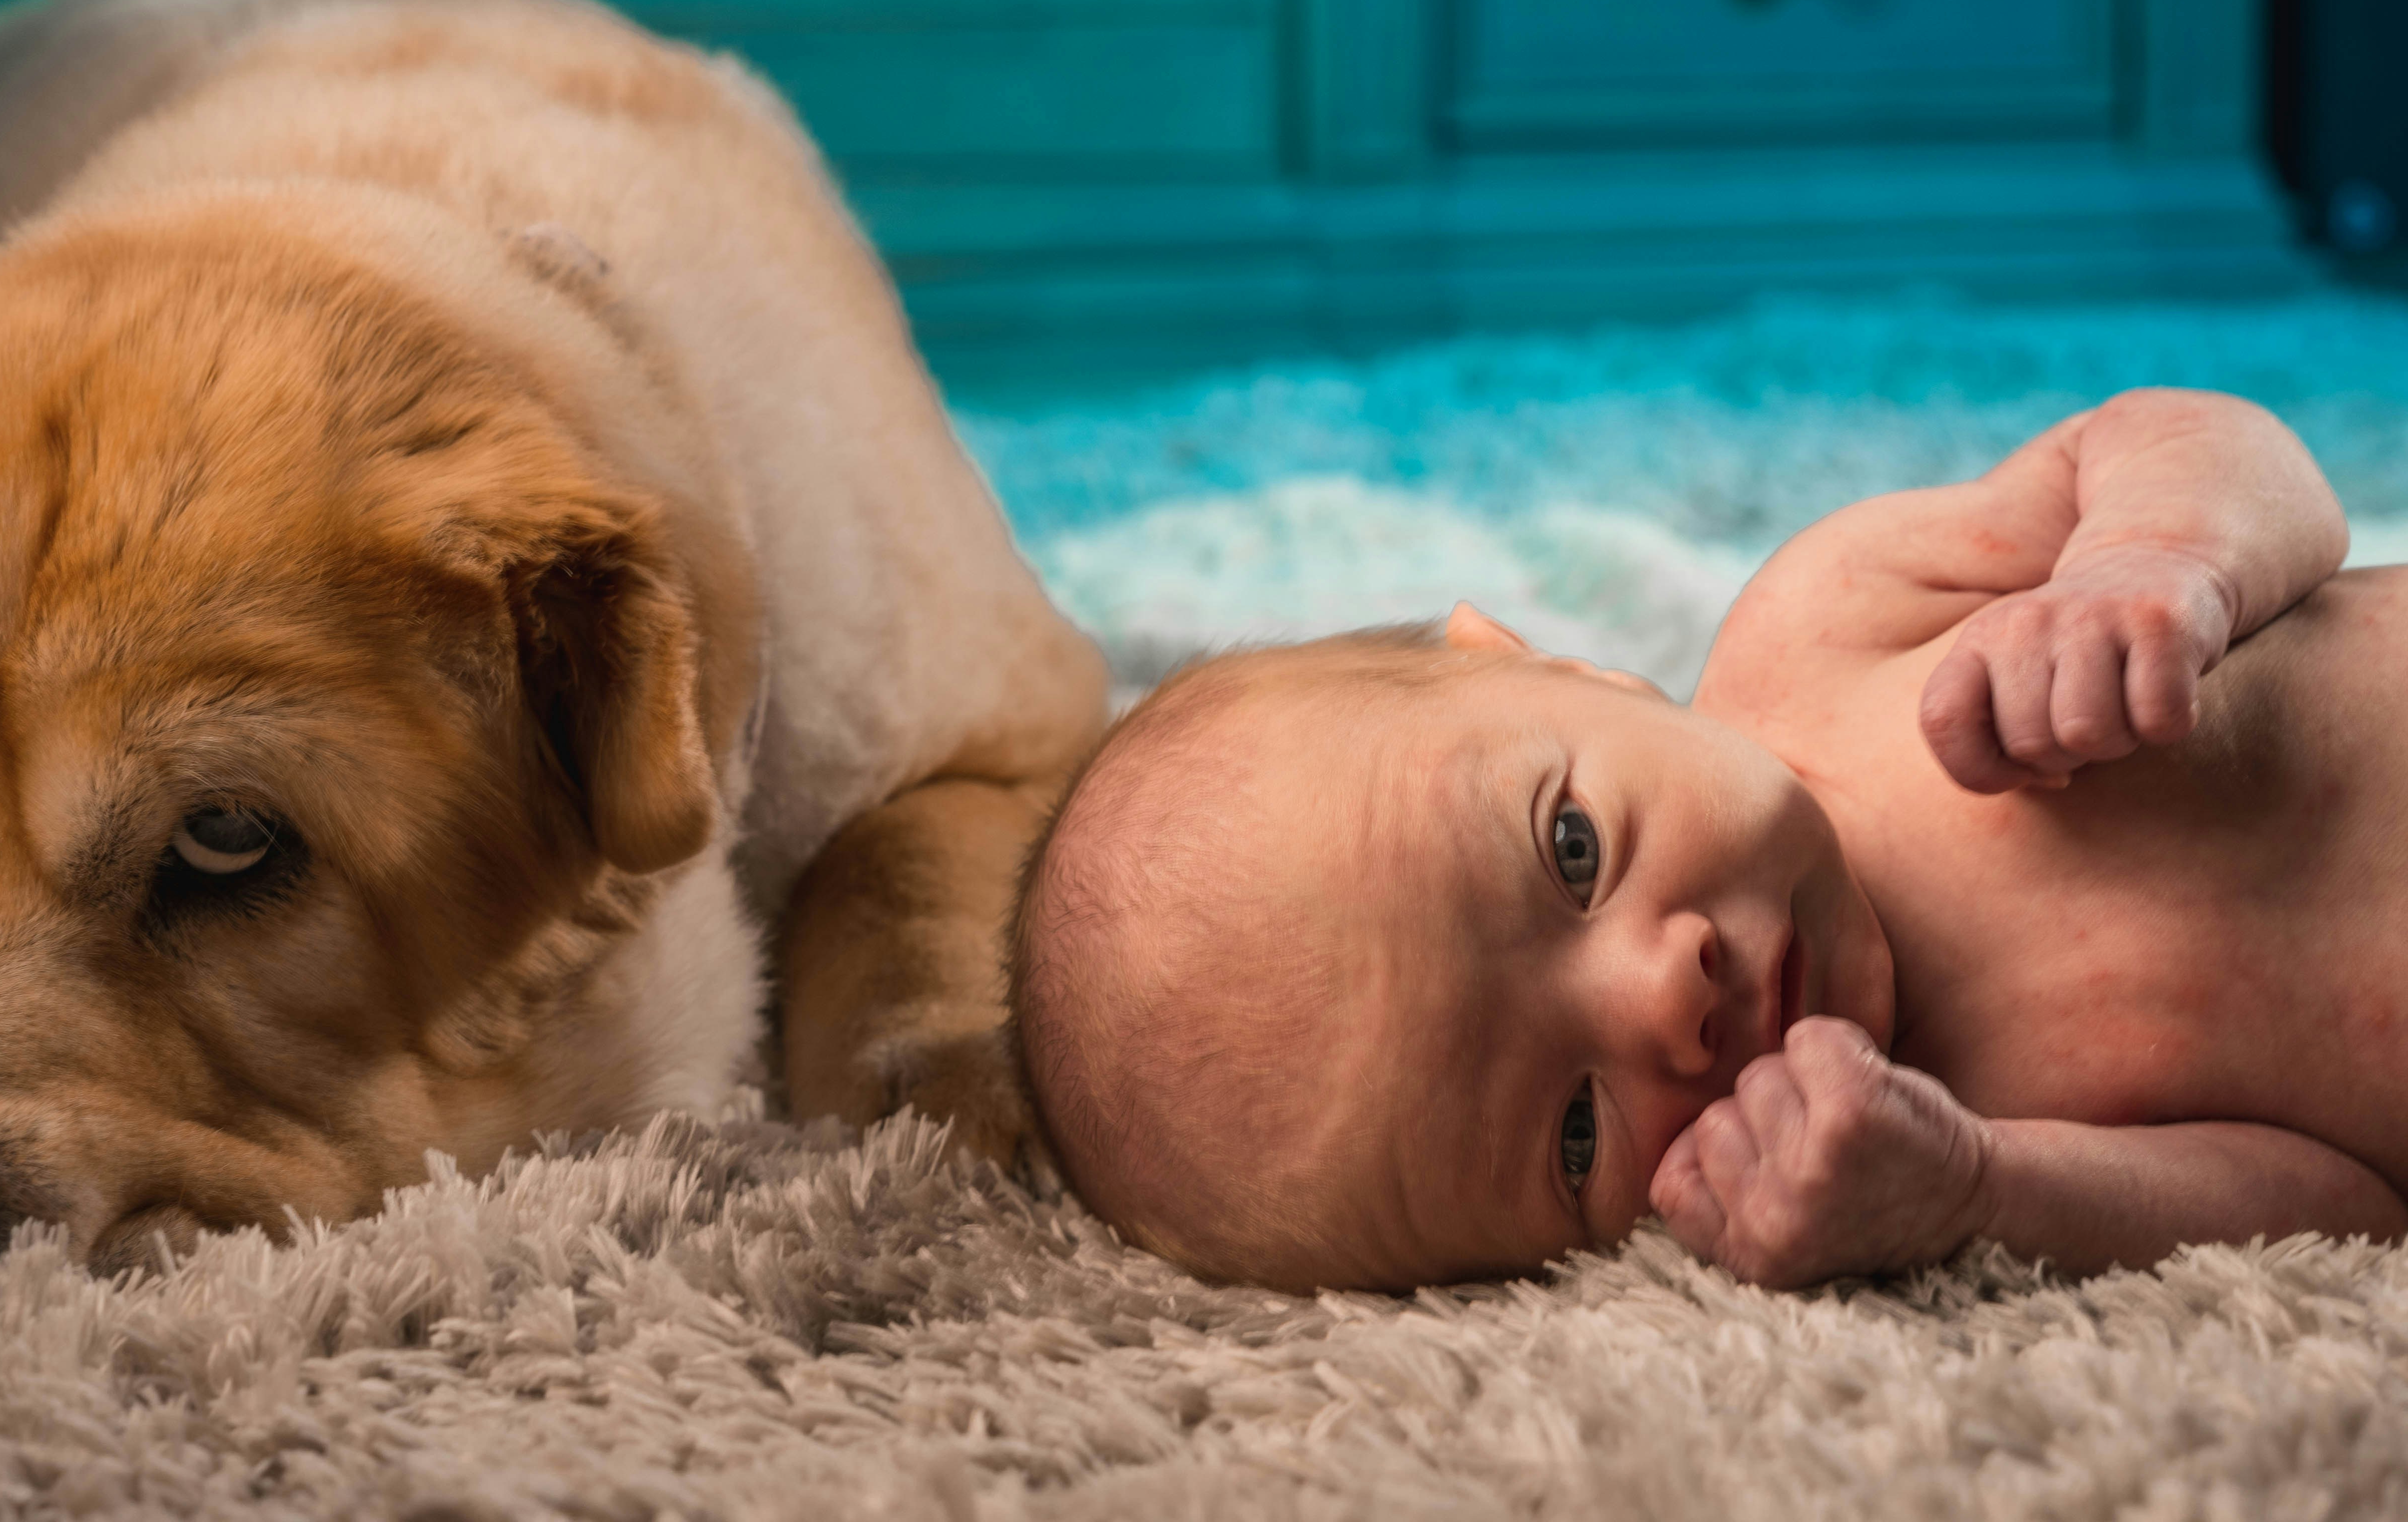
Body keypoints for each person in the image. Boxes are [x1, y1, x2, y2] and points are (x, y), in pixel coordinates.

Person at [1009, 389, 2408, 1290]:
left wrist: (2157, 560)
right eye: (1573, 1133)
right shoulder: (1943, 1136)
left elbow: (2192, 442)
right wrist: (1987, 1188)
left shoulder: (1822, 630)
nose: (1659, 998)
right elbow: (2345, 1217)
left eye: (1570, 854)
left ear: (1557, 671)